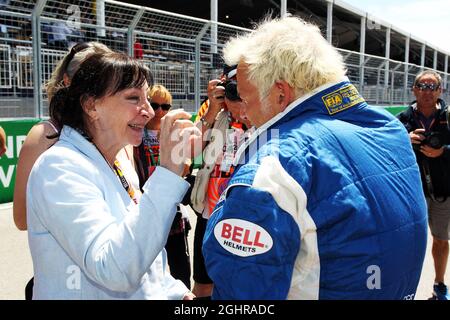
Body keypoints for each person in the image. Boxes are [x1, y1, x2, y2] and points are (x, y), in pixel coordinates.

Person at [202, 16, 428, 300]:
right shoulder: (390, 128)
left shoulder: (273, 167)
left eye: (246, 100)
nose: (243, 113)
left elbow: (242, 295)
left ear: (281, 94)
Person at [26, 51, 201, 299]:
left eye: (147, 98)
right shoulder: (59, 167)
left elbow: (142, 249)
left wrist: (176, 292)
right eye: (133, 98)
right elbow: (114, 269)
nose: (149, 111)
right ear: (91, 105)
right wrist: (168, 171)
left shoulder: (118, 162)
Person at [190, 64, 251, 298]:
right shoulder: (214, 110)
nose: (238, 96)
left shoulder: (260, 110)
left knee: (234, 285)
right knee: (203, 284)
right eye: (232, 89)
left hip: (239, 213)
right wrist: (212, 109)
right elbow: (191, 149)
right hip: (209, 211)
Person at [397, 70, 450, 300]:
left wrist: (443, 151)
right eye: (422, 86)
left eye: (432, 87)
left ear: (440, 91)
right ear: (414, 89)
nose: (427, 91)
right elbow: (385, 151)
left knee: (441, 239)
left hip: (442, 191)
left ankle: (439, 284)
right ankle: (403, 286)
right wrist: (404, 140)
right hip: (411, 192)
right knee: (407, 242)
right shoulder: (401, 120)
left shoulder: (449, 118)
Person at [134, 84, 192, 289]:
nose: (159, 112)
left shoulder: (176, 136)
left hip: (174, 220)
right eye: (154, 105)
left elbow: (186, 169)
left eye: (165, 107)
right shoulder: (134, 137)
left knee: (180, 276)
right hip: (143, 215)